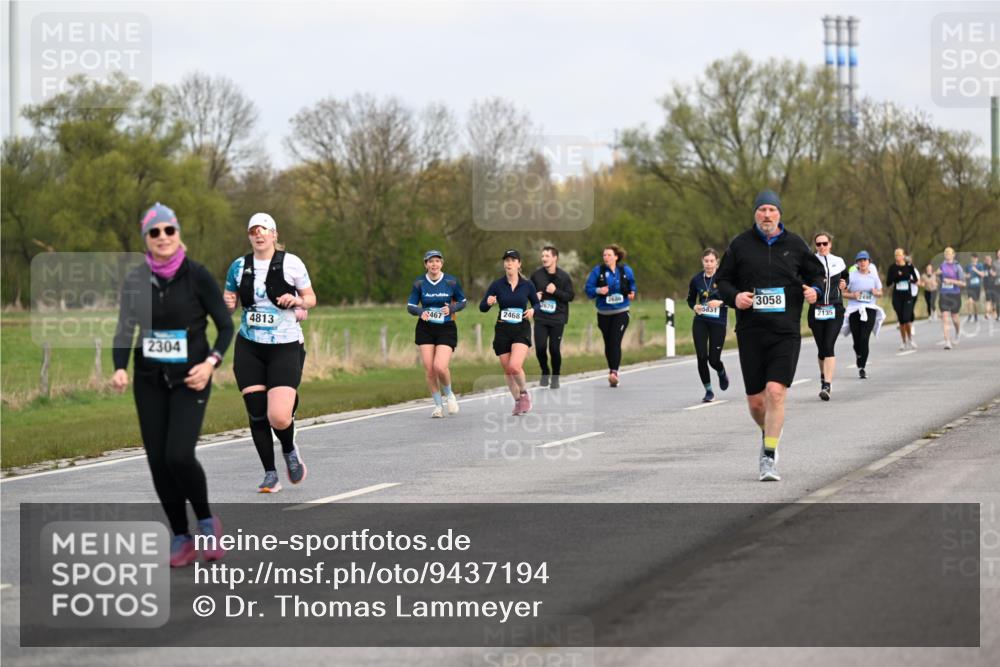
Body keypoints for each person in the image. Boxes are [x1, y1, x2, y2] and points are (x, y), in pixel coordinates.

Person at [111, 203, 233, 567]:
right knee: (158, 462)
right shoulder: (135, 281)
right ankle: (181, 536)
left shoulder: (197, 276)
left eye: (169, 230)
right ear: (146, 239)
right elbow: (124, 329)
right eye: (155, 232)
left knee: (178, 454)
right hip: (149, 381)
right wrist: (119, 368)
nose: (163, 237)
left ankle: (208, 522)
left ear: (178, 234)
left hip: (191, 379)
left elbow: (226, 327)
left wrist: (211, 364)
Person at [715, 190, 825, 482]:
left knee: (776, 392)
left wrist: (815, 291)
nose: (767, 215)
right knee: (756, 402)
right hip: (751, 331)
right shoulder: (740, 245)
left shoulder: (795, 245)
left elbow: (817, 275)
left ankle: (769, 456)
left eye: (772, 210)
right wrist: (735, 297)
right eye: (762, 209)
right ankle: (769, 431)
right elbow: (721, 281)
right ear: (755, 213)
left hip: (785, 332)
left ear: (779, 214)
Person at [223, 213, 316, 493]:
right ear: (249, 236)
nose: (259, 235)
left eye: (264, 230)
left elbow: (311, 298)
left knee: (278, 417)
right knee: (256, 412)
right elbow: (228, 300)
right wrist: (227, 302)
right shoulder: (238, 267)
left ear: (274, 234)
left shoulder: (291, 263)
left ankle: (289, 449)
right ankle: (270, 474)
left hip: (285, 346)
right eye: (253, 231)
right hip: (250, 346)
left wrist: (298, 300)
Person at [407, 250, 467, 418]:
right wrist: (420, 312)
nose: (434, 264)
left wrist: (452, 308)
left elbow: (463, 301)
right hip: (425, 328)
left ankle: (449, 395)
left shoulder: (451, 281)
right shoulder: (419, 282)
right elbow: (410, 305)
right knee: (429, 369)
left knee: (439, 366)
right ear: (425, 264)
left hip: (446, 327)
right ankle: (438, 406)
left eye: (437, 261)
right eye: (430, 261)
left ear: (442, 263)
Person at [480, 249, 540, 415]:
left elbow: (537, 304)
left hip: (521, 328)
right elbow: (482, 307)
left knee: (515, 366)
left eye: (513, 260)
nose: (509, 263)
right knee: (507, 370)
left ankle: (524, 393)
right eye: (506, 260)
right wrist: (489, 302)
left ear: (519, 264)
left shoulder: (527, 285)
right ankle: (517, 401)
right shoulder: (497, 285)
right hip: (503, 329)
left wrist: (533, 310)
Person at [584, 244, 637, 388]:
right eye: (604, 255)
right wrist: (599, 290)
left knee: (615, 340)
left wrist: (632, 292)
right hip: (603, 313)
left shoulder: (625, 270)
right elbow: (588, 290)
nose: (606, 257)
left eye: (609, 255)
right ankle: (611, 370)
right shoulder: (598, 271)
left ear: (616, 257)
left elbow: (632, 284)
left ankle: (614, 372)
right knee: (608, 344)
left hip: (621, 311)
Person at [807, 231, 848, 401]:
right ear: (815, 246)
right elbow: (801, 281)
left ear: (830, 244)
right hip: (816, 309)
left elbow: (846, 278)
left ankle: (827, 385)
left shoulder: (839, 262)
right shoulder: (810, 262)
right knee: (822, 348)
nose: (822, 247)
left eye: (825, 243)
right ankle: (823, 376)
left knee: (829, 344)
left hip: (835, 308)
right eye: (819, 244)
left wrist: (845, 284)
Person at [685, 248, 730, 402]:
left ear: (717, 262)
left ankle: (721, 371)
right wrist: (694, 307)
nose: (709, 264)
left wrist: (721, 302)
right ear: (702, 262)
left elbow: (733, 298)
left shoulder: (724, 278)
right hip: (701, 320)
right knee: (701, 356)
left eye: (712, 261)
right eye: (706, 261)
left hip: (718, 322)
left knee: (713, 360)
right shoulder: (696, 279)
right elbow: (690, 300)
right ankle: (709, 391)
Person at [530, 246, 575, 389]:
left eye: (547, 256)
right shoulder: (536, 275)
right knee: (540, 348)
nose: (544, 258)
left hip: (558, 318)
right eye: (542, 256)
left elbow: (570, 296)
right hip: (541, 317)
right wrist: (533, 297)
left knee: (554, 349)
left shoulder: (564, 276)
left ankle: (556, 376)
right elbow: (527, 292)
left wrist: (555, 291)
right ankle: (545, 371)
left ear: (555, 258)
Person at [841, 250, 886, 379]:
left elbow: (880, 293)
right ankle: (859, 356)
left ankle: (862, 367)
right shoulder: (852, 276)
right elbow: (843, 293)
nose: (862, 263)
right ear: (857, 263)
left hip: (870, 308)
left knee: (864, 338)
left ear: (869, 262)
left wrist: (876, 292)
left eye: (865, 260)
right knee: (856, 340)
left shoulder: (874, 277)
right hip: (855, 309)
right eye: (860, 261)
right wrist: (853, 295)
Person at [886, 248, 921, 350]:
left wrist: (908, 279)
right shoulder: (892, 268)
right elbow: (888, 283)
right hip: (897, 297)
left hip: (907, 297)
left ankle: (910, 339)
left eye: (899, 255)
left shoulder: (909, 266)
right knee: (901, 321)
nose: (898, 257)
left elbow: (915, 279)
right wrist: (896, 277)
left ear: (903, 256)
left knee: (906, 319)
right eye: (896, 255)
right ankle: (903, 342)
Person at [937, 247, 966, 349]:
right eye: (946, 253)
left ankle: (958, 333)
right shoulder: (941, 266)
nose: (947, 255)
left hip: (955, 295)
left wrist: (951, 281)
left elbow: (963, 283)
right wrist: (936, 276)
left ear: (953, 255)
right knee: (945, 318)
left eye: (949, 253)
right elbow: (938, 278)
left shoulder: (958, 267)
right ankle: (947, 342)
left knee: (955, 318)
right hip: (944, 294)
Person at [965, 253, 985, 323]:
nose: (974, 259)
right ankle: (970, 315)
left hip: (977, 286)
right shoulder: (968, 266)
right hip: (970, 286)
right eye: (973, 258)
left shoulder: (980, 265)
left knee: (975, 303)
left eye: (975, 258)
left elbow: (982, 275)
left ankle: (976, 315)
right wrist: (967, 276)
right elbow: (966, 275)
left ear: (977, 259)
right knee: (970, 301)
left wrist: (975, 270)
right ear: (971, 258)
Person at [983, 254, 997, 321]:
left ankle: (994, 313)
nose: (988, 261)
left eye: (989, 259)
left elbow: (995, 274)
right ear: (985, 261)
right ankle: (987, 314)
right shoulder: (984, 267)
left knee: (994, 301)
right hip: (987, 286)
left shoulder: (993, 266)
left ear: (991, 260)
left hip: (994, 286)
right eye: (986, 260)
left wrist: (992, 272)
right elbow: (982, 274)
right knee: (988, 300)